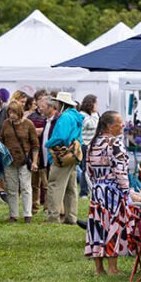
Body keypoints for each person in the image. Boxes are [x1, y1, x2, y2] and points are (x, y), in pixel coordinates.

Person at [84, 111, 130, 276]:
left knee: (97, 227)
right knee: (113, 227)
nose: (123, 125)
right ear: (110, 126)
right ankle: (112, 268)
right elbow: (120, 170)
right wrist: (126, 190)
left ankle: (99, 269)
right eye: (120, 122)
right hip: (113, 191)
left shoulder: (93, 143)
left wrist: (98, 182)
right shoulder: (115, 143)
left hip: (97, 190)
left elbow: (88, 169)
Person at [44, 92, 84, 225]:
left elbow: (60, 136)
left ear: (62, 104)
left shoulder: (65, 117)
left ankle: (53, 217)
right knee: (70, 187)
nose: (56, 105)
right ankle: (71, 217)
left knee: (55, 185)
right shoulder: (75, 116)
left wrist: (47, 143)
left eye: (57, 103)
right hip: (73, 155)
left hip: (62, 155)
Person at [0, 100, 39, 223]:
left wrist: (34, 161)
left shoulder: (28, 124)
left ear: (20, 112)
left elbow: (35, 144)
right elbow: (1, 141)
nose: (12, 115)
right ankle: (13, 214)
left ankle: (28, 214)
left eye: (14, 112)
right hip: (9, 160)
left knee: (26, 187)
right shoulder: (6, 124)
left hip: (24, 159)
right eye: (10, 112)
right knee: (11, 188)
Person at [28, 90, 51, 214]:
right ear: (36, 101)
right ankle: (34, 206)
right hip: (34, 153)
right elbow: (28, 131)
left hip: (45, 153)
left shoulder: (50, 118)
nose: (43, 102)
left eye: (45, 99)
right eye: (40, 99)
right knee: (34, 183)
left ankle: (47, 207)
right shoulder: (31, 117)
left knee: (46, 183)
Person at [78, 94, 100, 199]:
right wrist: (95, 114)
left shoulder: (92, 115)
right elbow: (91, 125)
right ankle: (83, 191)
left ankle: (92, 189)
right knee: (85, 169)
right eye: (96, 103)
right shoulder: (82, 114)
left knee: (92, 169)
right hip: (85, 145)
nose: (97, 106)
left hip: (93, 145)